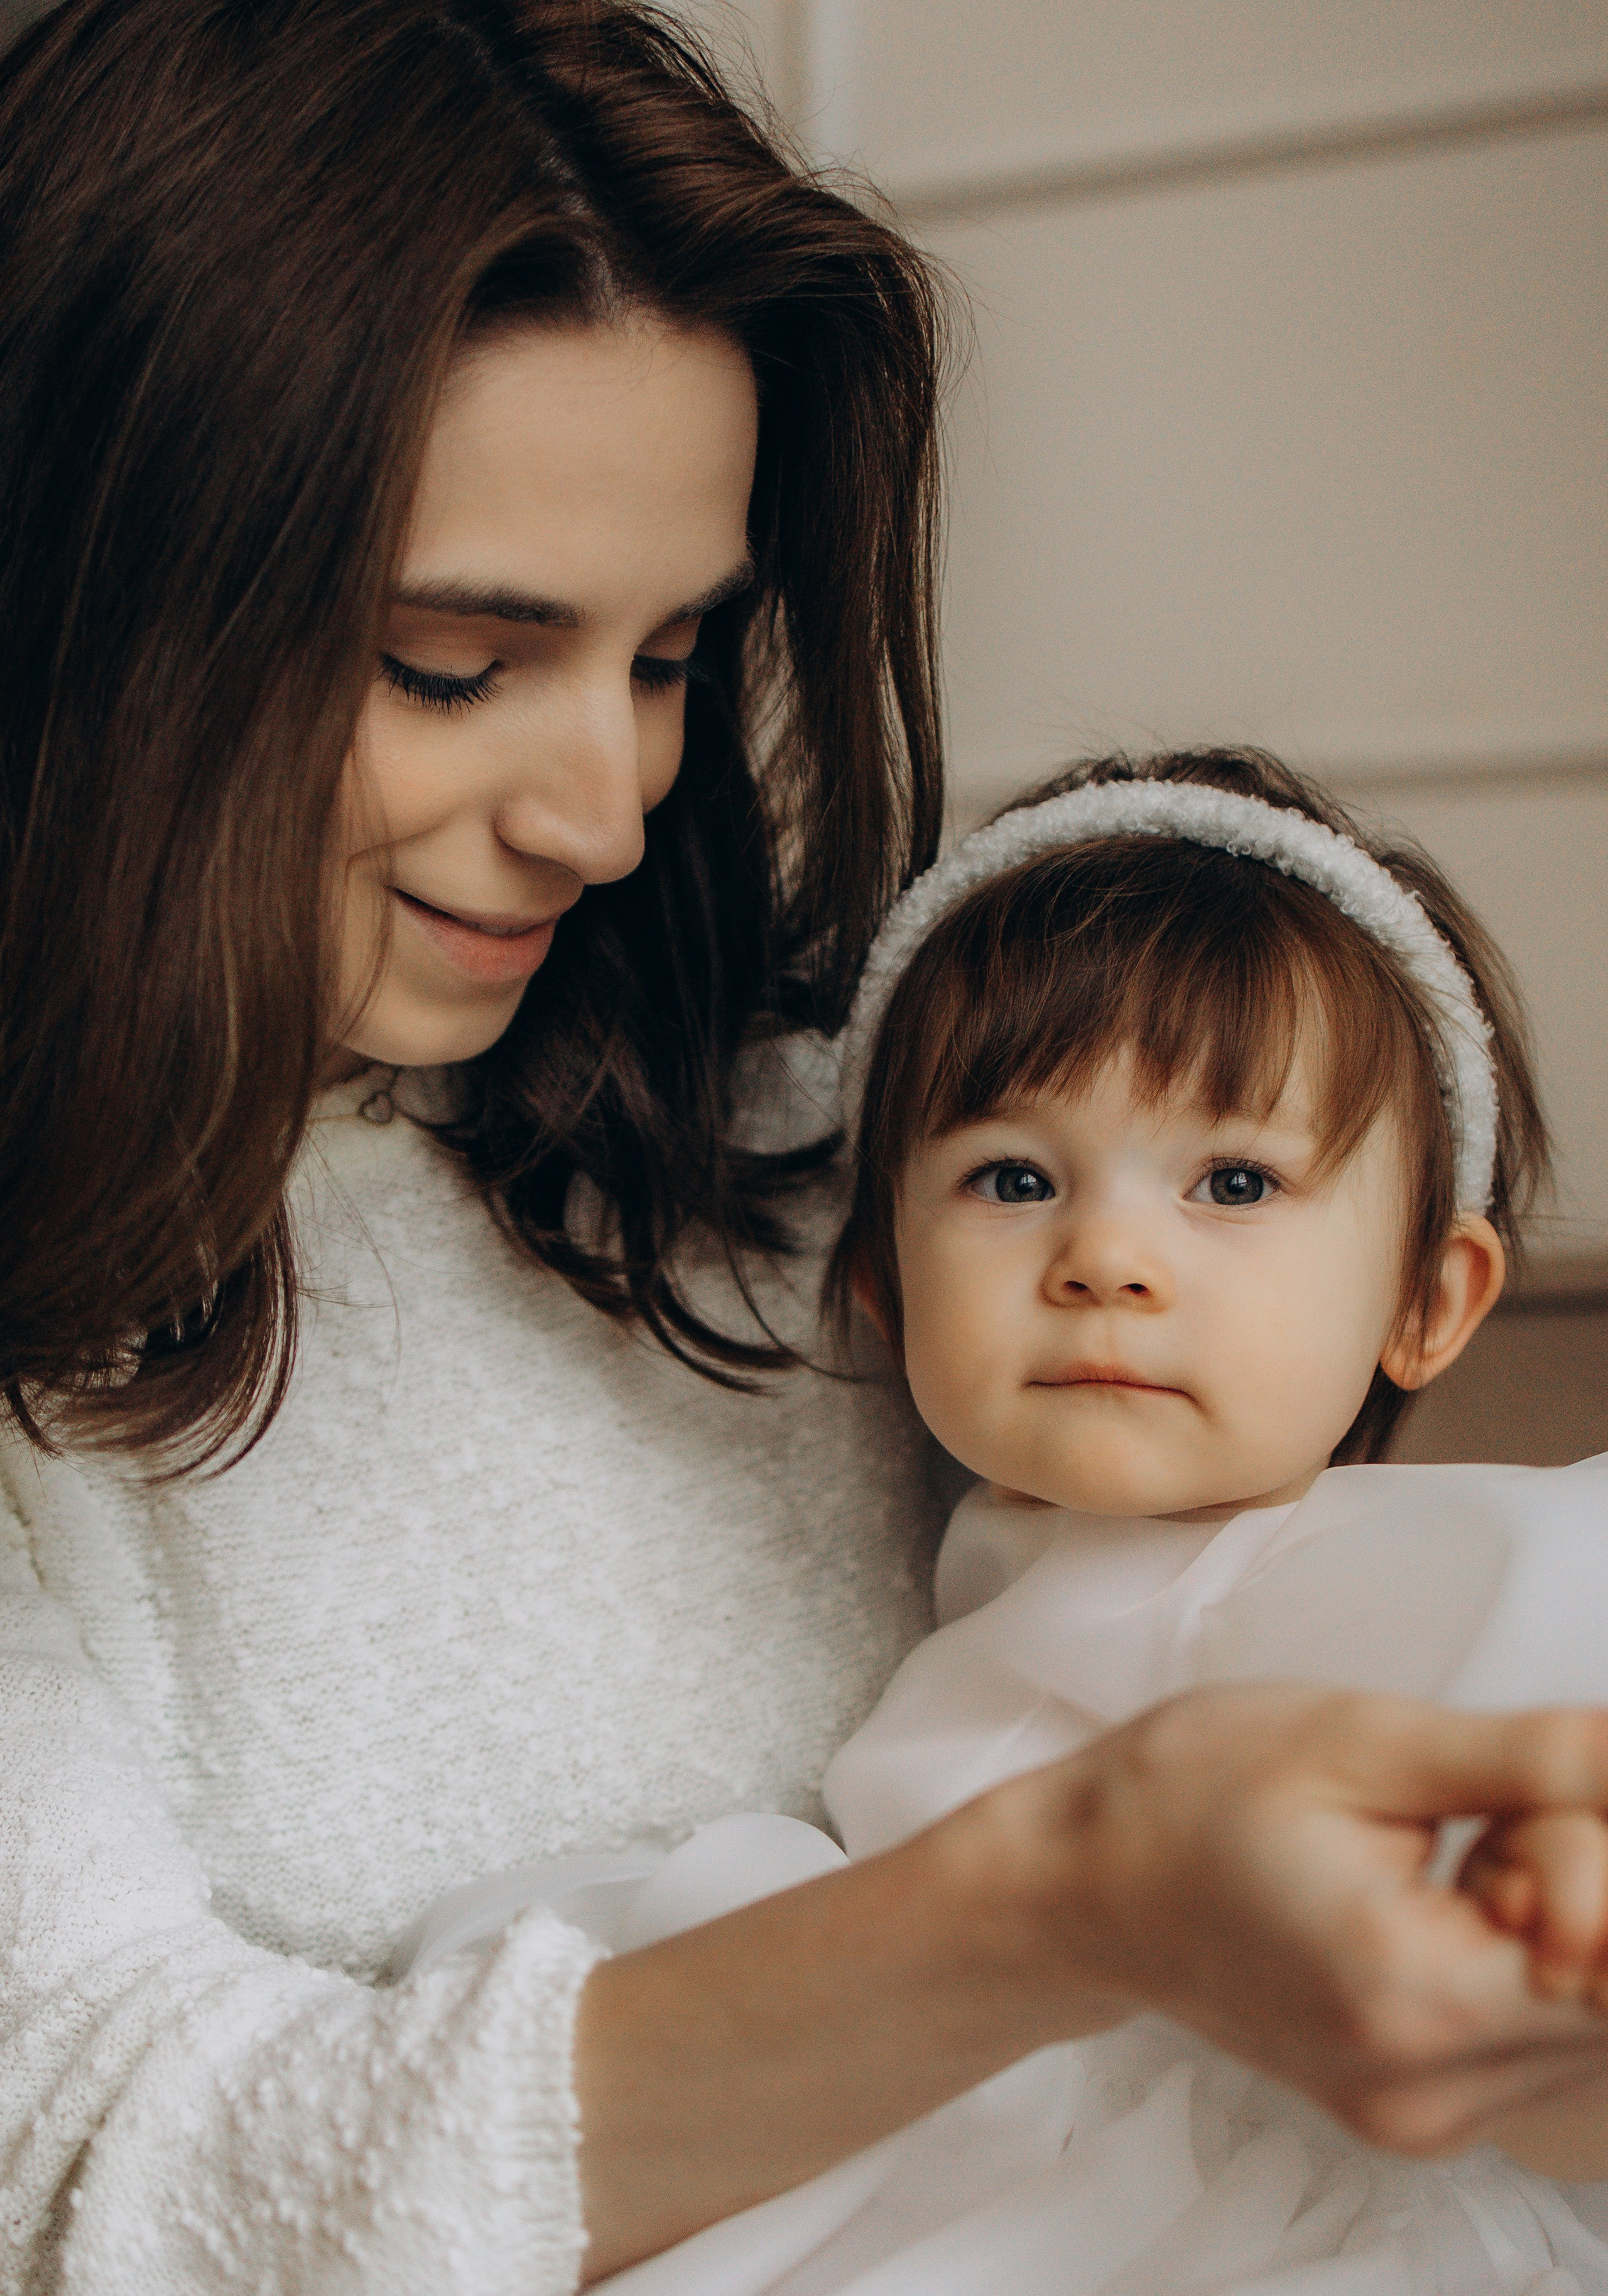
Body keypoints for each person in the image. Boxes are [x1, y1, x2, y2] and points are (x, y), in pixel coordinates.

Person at [2, 5, 1608, 2290]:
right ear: (91, 618)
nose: (608, 808)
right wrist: (1072, 1893)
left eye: (672, 655)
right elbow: (99, 2184)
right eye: (459, 662)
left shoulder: (850, 1147)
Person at [406, 749, 1608, 2292]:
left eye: (1232, 1181)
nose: (1105, 1254)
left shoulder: (1345, 1571)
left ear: (1424, 1302)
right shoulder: (979, 1573)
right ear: (882, 1290)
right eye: (1014, 1175)